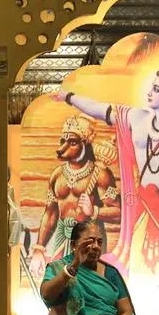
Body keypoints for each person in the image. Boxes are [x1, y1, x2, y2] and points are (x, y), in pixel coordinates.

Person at [57, 59, 159, 282]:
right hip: (144, 211)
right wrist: (68, 97)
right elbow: (99, 109)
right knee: (141, 269)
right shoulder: (136, 118)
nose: (149, 92)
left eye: (156, 89)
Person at [28, 115, 120, 281]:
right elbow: (50, 213)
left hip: (89, 241)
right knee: (60, 285)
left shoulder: (101, 174)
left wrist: (95, 211)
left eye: (72, 142)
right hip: (62, 237)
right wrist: (39, 248)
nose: (62, 148)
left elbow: (118, 212)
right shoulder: (57, 175)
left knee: (90, 285)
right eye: (63, 141)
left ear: (85, 144)